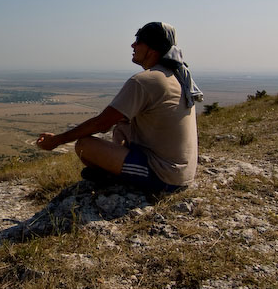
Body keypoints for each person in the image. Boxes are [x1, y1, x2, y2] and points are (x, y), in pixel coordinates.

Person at [36, 22, 202, 197]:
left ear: (152, 49)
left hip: (165, 176)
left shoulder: (146, 80)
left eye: (138, 41)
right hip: (181, 171)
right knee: (122, 126)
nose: (133, 45)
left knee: (85, 145)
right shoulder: (175, 76)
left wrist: (57, 140)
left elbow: (102, 123)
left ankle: (115, 176)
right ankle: (115, 171)